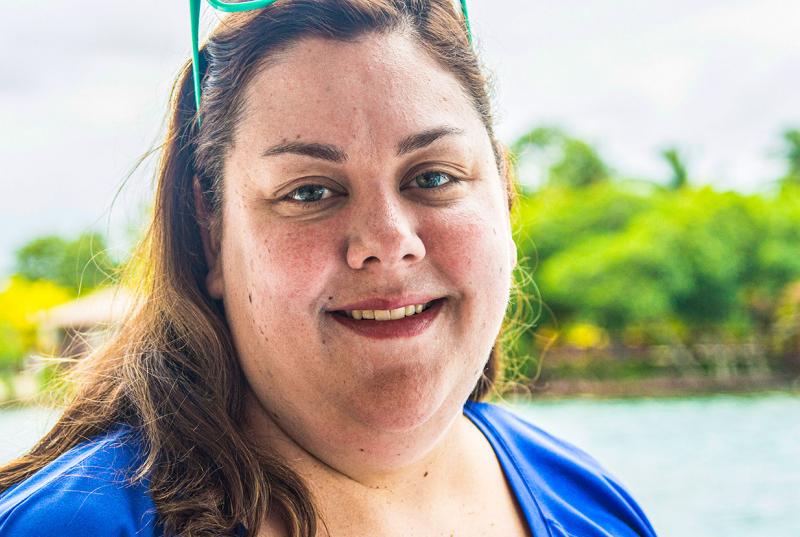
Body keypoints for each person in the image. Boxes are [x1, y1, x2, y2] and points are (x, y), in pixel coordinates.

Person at [0, 1, 659, 536]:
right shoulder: (71, 525)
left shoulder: (592, 507)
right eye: (310, 191)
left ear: (503, 191)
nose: (387, 241)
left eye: (433, 176)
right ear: (210, 229)